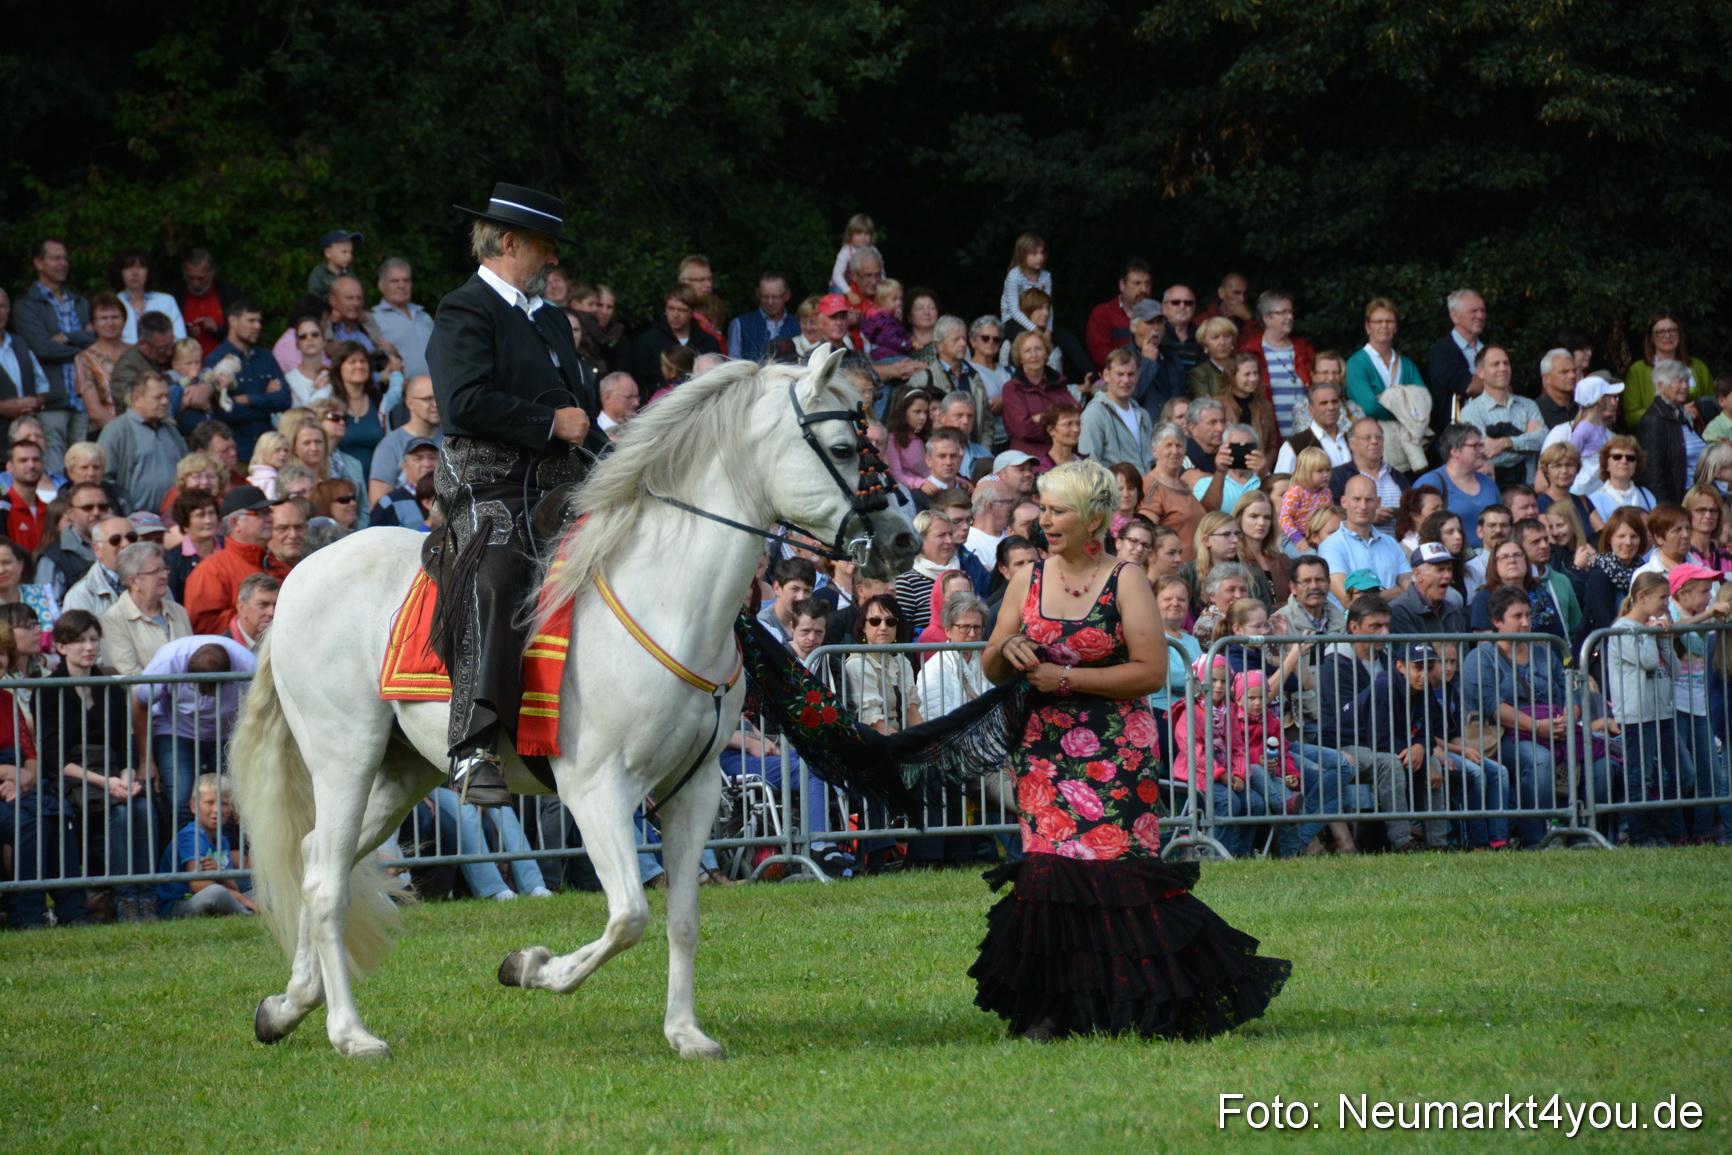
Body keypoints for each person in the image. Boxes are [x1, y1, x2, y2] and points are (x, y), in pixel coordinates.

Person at [974, 459, 1287, 1041]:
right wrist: (1009, 646)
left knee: (1121, 877)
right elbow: (992, 664)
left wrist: (1066, 681)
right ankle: (1053, 1010)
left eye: (1057, 510)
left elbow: (1148, 672)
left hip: (1117, 751)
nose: (1045, 521)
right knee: (1049, 876)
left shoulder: (1127, 579)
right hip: (1042, 752)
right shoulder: (1027, 579)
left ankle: (1148, 1003)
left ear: (1092, 518)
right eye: (1042, 509)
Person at [424, 184, 607, 805]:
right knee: (500, 570)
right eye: (545, 247)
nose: (552, 260)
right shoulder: (463, 309)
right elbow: (462, 403)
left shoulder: (551, 319)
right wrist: (549, 424)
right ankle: (473, 746)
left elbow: (583, 416)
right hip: (486, 478)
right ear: (510, 243)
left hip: (563, 478)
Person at [36, 609, 157, 920]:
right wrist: (106, 783)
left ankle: (146, 896)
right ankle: (126, 897)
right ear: (60, 647)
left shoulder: (109, 684)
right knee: (120, 811)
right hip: (76, 778)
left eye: (93, 639)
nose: (88, 647)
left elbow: (123, 744)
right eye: (78, 641)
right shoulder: (48, 690)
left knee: (142, 808)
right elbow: (54, 759)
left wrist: (127, 777)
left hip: (113, 772)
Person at [1361, 642, 1509, 851]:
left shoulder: (1427, 689)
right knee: (1394, 764)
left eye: (1428, 668)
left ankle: (1439, 843)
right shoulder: (1385, 686)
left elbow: (1426, 730)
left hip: (1397, 744)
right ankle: (1403, 842)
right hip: (1353, 745)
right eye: (1418, 667)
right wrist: (1423, 754)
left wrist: (1421, 747)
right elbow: (1381, 739)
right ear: (1400, 666)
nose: (1424, 674)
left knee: (1437, 763)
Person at [1601, 574, 1686, 844]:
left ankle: (1665, 831)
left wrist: (1661, 636)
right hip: (1637, 717)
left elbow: (1674, 670)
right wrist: (1655, 633)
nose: (1666, 603)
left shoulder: (1651, 629)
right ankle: (1640, 836)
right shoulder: (1623, 629)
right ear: (1642, 597)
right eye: (1662, 597)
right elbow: (1648, 661)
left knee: (1683, 774)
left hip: (1663, 712)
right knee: (1641, 777)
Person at [12, 239, 91, 471]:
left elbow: (95, 340)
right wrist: (82, 349)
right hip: (53, 399)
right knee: (54, 468)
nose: (63, 263)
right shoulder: (26, 305)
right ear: (39, 263)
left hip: (83, 398)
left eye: (65, 258)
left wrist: (66, 337)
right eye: (56, 258)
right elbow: (42, 348)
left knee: (84, 465)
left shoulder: (79, 302)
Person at [155, 773, 258, 918]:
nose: (217, 810)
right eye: (209, 803)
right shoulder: (191, 835)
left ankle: (239, 913)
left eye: (224, 803)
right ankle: (248, 916)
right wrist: (242, 899)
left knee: (262, 891)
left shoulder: (222, 840)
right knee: (215, 892)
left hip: (219, 897)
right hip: (181, 904)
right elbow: (197, 884)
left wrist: (220, 872)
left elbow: (232, 886)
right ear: (193, 807)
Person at [184, 485, 282, 634]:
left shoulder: (278, 563)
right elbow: (203, 627)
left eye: (269, 512)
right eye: (260, 514)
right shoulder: (211, 571)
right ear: (235, 523)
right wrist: (252, 616)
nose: (270, 519)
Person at [100, 541, 192, 674]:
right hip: (146, 694)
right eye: (155, 571)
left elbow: (193, 660)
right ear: (133, 581)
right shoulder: (114, 619)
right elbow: (128, 674)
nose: (164, 576)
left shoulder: (179, 612)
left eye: (165, 569)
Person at [1458, 346, 1544, 487]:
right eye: (1495, 364)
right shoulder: (1471, 412)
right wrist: (1527, 441)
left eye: (1506, 363)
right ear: (1480, 372)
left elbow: (1543, 441)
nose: (1503, 368)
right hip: (1495, 491)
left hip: (1530, 490)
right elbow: (1484, 457)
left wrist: (1505, 443)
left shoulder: (1528, 405)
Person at [1319, 474, 1411, 605]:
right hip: (1352, 623)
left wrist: (1368, 597)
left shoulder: (1391, 543)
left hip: (1395, 622)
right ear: (1344, 502)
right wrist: (1394, 592)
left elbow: (1411, 592)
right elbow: (1349, 601)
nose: (1363, 506)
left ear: (1378, 502)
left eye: (1369, 500)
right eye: (1356, 499)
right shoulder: (1330, 545)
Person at [1241, 290, 1315, 437]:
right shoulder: (1251, 352)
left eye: (1290, 312)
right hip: (1269, 436)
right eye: (1283, 313)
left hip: (1306, 436)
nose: (1290, 317)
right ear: (1266, 318)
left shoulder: (1304, 349)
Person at [1622, 314, 1714, 429]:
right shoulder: (1637, 370)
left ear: (1680, 334)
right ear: (1651, 338)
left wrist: (1698, 411)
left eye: (1673, 331)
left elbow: (1713, 405)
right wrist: (1671, 413)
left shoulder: (1698, 367)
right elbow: (1631, 417)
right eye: (1660, 332)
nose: (1667, 336)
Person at [1413, 424, 1498, 545]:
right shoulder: (1432, 482)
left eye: (1481, 446)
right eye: (1475, 446)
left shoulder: (1488, 483)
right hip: (1451, 559)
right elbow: (1418, 526)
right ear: (1455, 451)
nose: (1481, 451)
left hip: (1489, 559)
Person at [1344, 297, 1425, 422]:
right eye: (1378, 321)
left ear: (1396, 327)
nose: (1384, 326)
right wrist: (1406, 402)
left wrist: (1383, 398)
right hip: (1370, 438)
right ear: (1367, 327)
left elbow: (1424, 403)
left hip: (1408, 439)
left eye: (1389, 321)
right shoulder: (1356, 364)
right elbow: (1370, 407)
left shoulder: (1407, 365)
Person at [1636, 360, 1704, 506]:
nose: (1685, 386)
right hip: (1678, 504)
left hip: (1697, 498)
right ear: (1661, 386)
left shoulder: (1679, 414)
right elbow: (1651, 473)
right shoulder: (1653, 420)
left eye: (1686, 381)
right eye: (1679, 382)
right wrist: (1667, 510)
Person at [1138, 422, 1207, 561]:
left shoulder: (1183, 485)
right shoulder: (1152, 486)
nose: (1175, 451)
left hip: (1196, 570)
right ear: (1154, 451)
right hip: (1173, 572)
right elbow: (1145, 535)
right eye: (1168, 445)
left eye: (1179, 446)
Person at [1426, 289, 1487, 439]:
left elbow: (1515, 386)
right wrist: (1499, 385)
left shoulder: (1490, 350)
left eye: (1482, 311)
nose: (1480, 316)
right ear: (1454, 316)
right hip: (1455, 439)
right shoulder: (1442, 351)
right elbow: (1467, 386)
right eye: (1473, 311)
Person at [1000, 331, 1073, 457]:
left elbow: (1076, 415)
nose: (1034, 355)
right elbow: (1024, 429)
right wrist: (1062, 425)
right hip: (1029, 460)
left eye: (1038, 349)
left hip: (1062, 456)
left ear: (1046, 353)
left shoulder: (1059, 383)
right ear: (1020, 357)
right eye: (1027, 351)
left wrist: (1043, 418)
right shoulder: (1011, 389)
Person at [1078, 349, 1151, 472]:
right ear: (1106, 375)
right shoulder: (1094, 413)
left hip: (1147, 489)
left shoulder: (1143, 415)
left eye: (1131, 374)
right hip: (1113, 490)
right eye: (1120, 374)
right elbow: (1089, 466)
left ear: (1138, 376)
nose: (1126, 380)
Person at [370, 258, 436, 379]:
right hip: (400, 391)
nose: (401, 285)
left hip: (436, 391)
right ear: (381, 285)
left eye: (406, 281)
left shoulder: (424, 316)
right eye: (394, 281)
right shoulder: (374, 318)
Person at [1084, 259, 1152, 367]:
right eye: (1137, 284)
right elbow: (1101, 356)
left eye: (1147, 284)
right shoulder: (1103, 314)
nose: (1143, 289)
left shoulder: (1157, 316)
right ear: (1122, 285)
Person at [1273, 381, 1349, 474]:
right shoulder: (1295, 445)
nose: (1331, 407)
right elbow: (1281, 483)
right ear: (1311, 410)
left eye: (1334, 402)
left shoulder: (1352, 439)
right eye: (1323, 403)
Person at [1587, 435, 1656, 531]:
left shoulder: (1646, 495)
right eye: (1617, 457)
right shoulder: (1595, 500)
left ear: (1636, 464)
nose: (1624, 461)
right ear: (1606, 464)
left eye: (1630, 458)